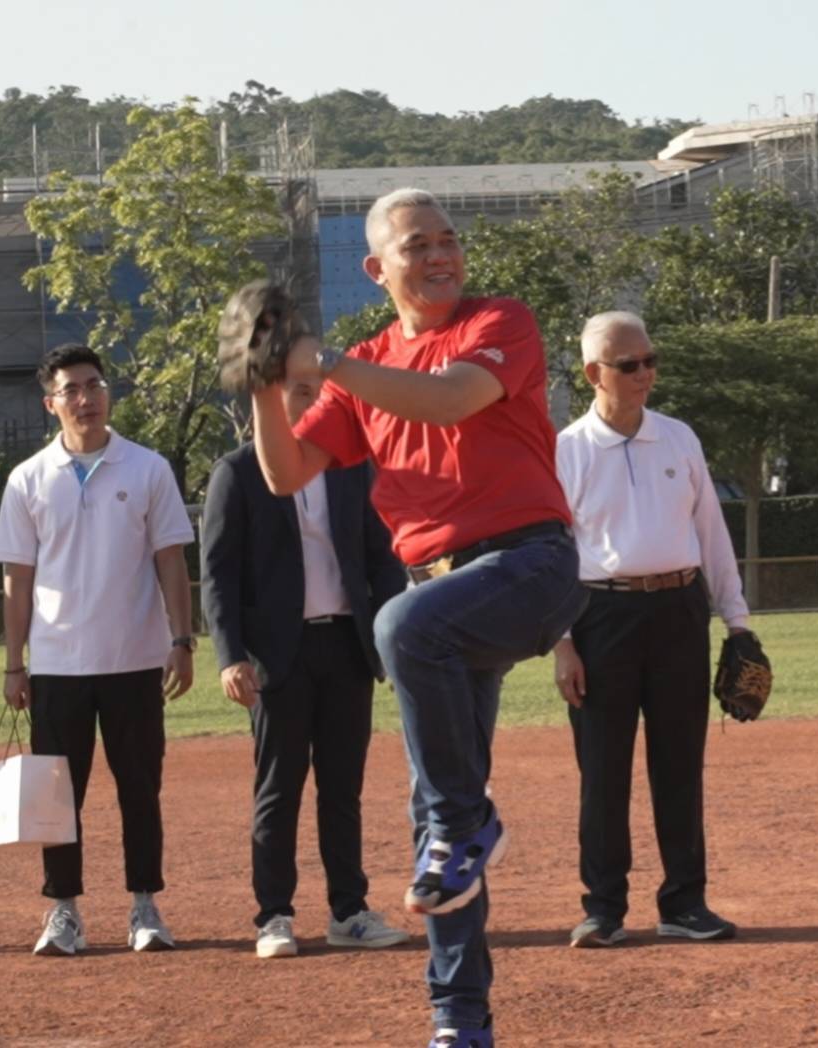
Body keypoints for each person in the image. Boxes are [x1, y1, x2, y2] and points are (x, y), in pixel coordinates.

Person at [242, 188, 587, 1048]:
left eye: (449, 239)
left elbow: (452, 400)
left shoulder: (499, 320)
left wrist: (324, 366)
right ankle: (458, 1019)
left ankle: (465, 826)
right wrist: (260, 383)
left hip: (528, 564)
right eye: (417, 244)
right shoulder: (366, 359)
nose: (440, 255)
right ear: (377, 267)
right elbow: (287, 473)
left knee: (400, 633)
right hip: (440, 592)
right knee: (435, 830)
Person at [201, 338, 410, 959]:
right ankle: (274, 915)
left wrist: (386, 632)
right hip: (277, 658)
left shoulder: (351, 467)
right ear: (270, 398)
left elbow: (383, 560)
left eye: (319, 390)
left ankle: (349, 910)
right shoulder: (236, 473)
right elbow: (218, 574)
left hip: (346, 648)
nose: (312, 399)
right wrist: (230, 656)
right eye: (297, 390)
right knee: (278, 789)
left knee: (342, 789)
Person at [552, 311, 750, 948]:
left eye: (650, 360)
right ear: (593, 374)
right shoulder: (566, 451)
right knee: (603, 771)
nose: (646, 373)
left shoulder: (678, 438)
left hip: (678, 610)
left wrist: (738, 625)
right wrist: (561, 644)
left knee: (679, 764)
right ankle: (603, 908)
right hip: (598, 615)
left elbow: (711, 535)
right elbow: (553, 556)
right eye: (628, 365)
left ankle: (684, 903)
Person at [0, 343, 195, 956]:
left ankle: (145, 907)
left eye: (95, 385)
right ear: (50, 403)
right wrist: (13, 663)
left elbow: (171, 560)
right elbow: (17, 581)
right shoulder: (28, 478)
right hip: (56, 666)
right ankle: (64, 911)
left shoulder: (148, 467)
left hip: (136, 659)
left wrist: (182, 640)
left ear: (108, 393)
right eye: (72, 390)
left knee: (141, 788)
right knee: (58, 798)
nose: (86, 398)